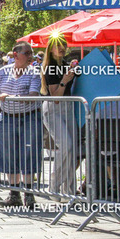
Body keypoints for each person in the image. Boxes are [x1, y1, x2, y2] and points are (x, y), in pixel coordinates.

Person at [0, 41, 42, 209]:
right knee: (8, 154)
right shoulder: (3, 71)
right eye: (27, 53)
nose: (31, 56)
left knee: (30, 154)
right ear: (16, 55)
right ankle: (14, 194)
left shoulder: (34, 72)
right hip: (7, 118)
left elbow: (33, 95)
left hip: (29, 117)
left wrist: (10, 97)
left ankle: (29, 194)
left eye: (31, 53)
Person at [40, 33, 79, 196]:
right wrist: (65, 80)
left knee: (72, 150)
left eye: (63, 44)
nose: (61, 48)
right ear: (51, 49)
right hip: (54, 109)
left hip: (68, 107)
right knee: (66, 146)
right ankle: (54, 185)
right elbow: (55, 97)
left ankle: (69, 190)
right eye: (58, 45)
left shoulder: (65, 65)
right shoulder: (49, 68)